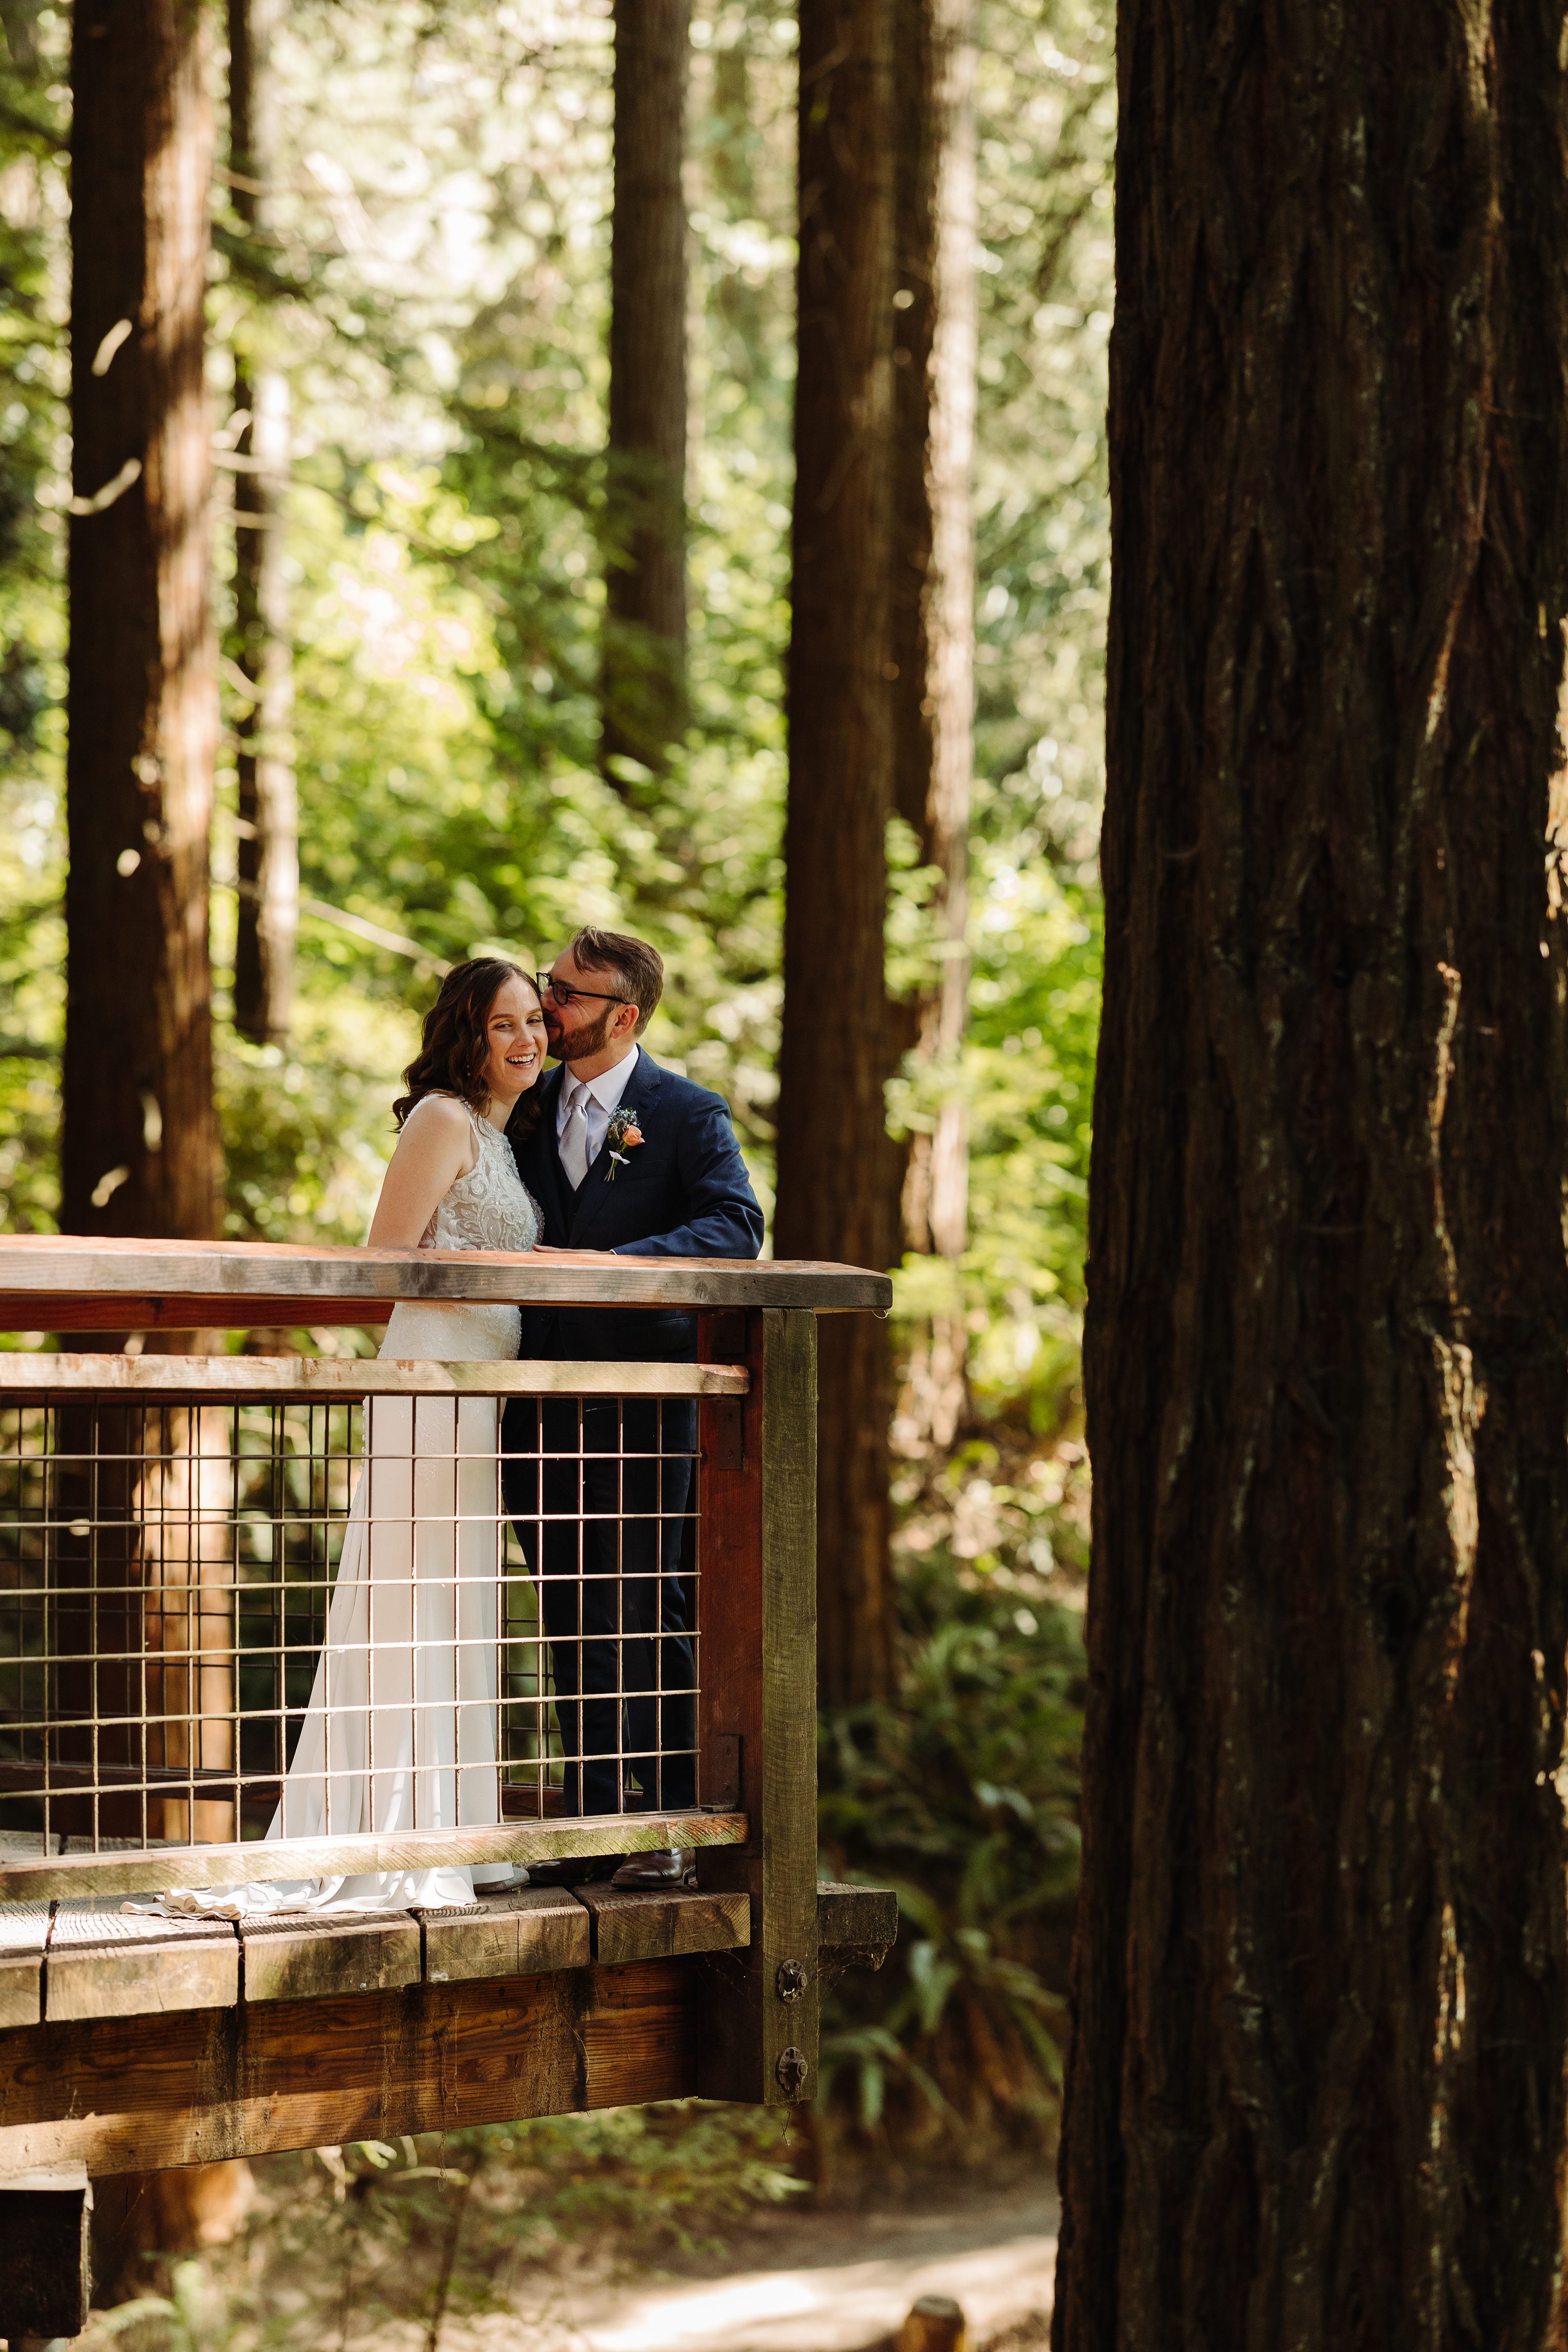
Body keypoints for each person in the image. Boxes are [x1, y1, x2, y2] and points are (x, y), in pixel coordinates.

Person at [153, 959, 548, 1917]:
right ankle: (383, 1834)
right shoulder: (443, 1120)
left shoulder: (502, 1136)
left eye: (535, 1021)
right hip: (428, 1382)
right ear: (467, 1033)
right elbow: (386, 1257)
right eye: (505, 1025)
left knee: (461, 1602)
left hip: (483, 1393)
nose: (527, 1040)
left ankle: (453, 1827)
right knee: (406, 1600)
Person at [502, 928, 765, 1889]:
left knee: (649, 1611)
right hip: (539, 1407)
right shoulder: (522, 1111)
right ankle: (591, 1828)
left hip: (649, 1405)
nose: (548, 1006)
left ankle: (666, 1831)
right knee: (570, 1611)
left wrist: (613, 1273)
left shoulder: (685, 1113)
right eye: (547, 987)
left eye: (567, 993)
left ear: (627, 1015)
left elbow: (737, 1226)